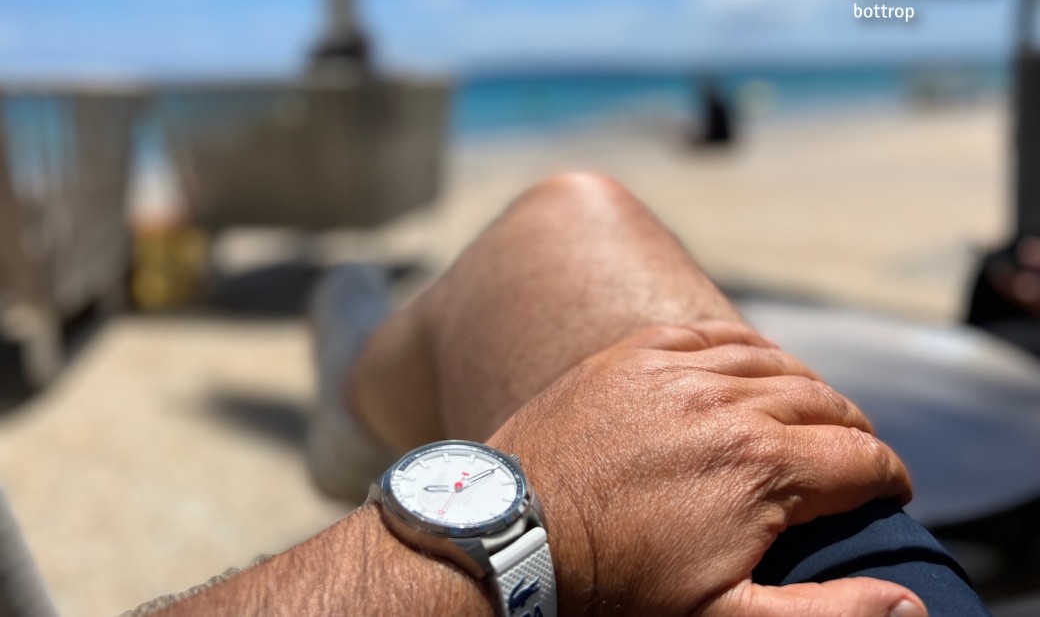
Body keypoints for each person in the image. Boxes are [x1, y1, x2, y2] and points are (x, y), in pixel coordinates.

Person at [132, 173, 986, 616]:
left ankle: (354, 383)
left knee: (570, 217)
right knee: (573, 215)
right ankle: (357, 381)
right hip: (872, 573)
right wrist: (560, 521)